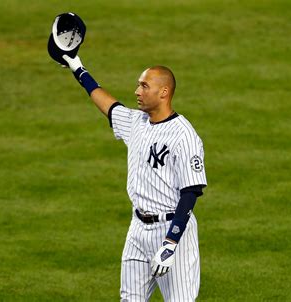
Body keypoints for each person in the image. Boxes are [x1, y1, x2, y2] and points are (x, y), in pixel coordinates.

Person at [61, 54, 207, 301]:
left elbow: (191, 192)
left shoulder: (184, 136)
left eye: (144, 86)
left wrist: (171, 243)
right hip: (138, 229)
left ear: (164, 92)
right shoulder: (136, 122)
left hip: (172, 230)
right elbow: (108, 105)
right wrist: (77, 67)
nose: (137, 90)